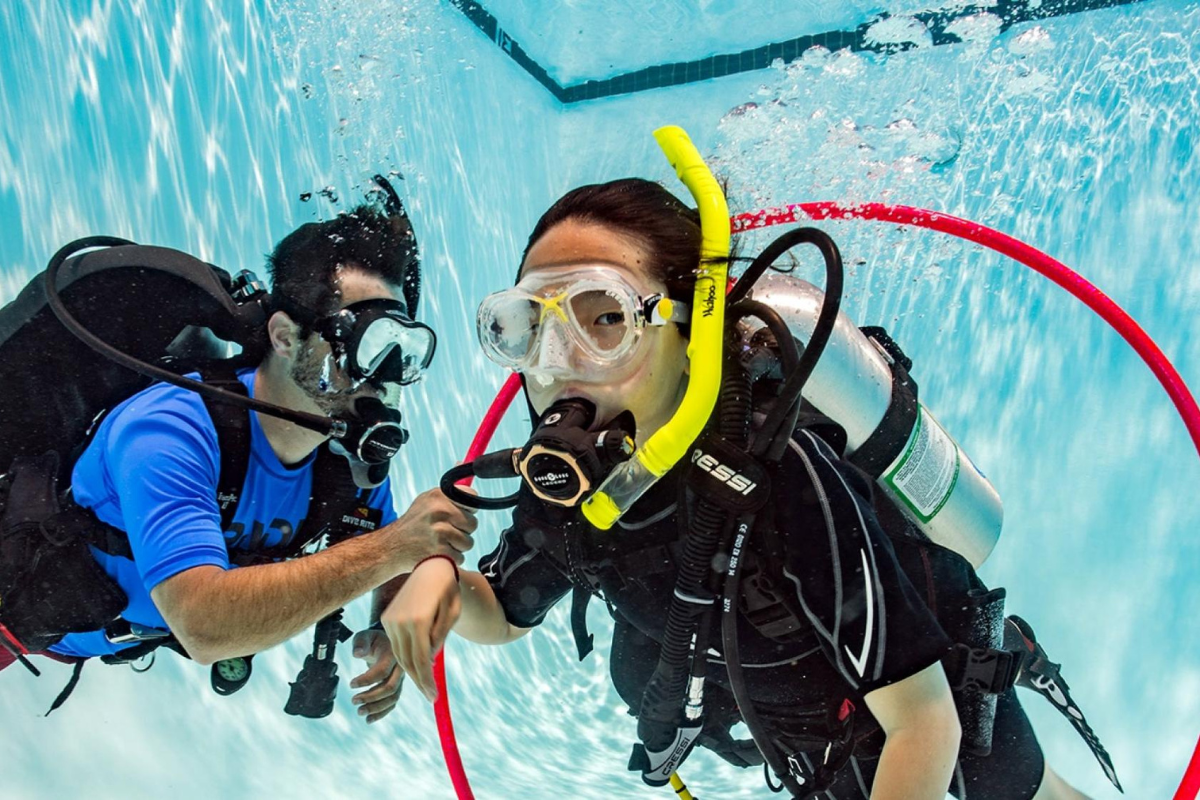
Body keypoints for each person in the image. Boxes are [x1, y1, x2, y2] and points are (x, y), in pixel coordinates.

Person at [381, 178, 1104, 797]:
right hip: (786, 733)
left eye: (604, 319)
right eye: (528, 326)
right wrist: (439, 577)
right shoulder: (570, 479)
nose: (558, 364)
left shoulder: (780, 476)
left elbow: (923, 718)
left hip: (924, 702)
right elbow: (505, 614)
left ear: (690, 328)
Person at [0, 200, 477, 726]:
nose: (382, 375)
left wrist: (387, 626)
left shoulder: (344, 457)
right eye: (364, 343)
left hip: (106, 636)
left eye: (404, 348)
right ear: (284, 336)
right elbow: (204, 625)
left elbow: (385, 541)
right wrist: (392, 549)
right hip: (17, 619)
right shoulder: (170, 429)